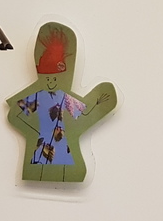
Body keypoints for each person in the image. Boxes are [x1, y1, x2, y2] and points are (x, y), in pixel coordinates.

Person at [6, 22, 116, 183]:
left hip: (62, 143)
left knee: (65, 168)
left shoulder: (66, 98)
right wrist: (34, 131)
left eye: (55, 78)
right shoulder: (37, 97)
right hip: (42, 143)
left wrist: (97, 103)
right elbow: (13, 116)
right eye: (48, 79)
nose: (51, 83)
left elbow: (84, 114)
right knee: (40, 168)